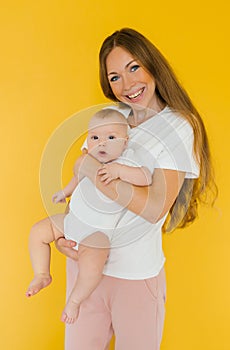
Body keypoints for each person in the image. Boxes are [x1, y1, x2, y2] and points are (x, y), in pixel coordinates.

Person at [55, 28, 217, 350]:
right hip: (85, 269)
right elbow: (83, 185)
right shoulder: (115, 117)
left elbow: (156, 206)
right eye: (115, 77)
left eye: (133, 68)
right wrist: (65, 233)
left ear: (151, 64)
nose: (127, 86)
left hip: (135, 276)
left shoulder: (177, 125)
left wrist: (92, 168)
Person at [26, 108, 152, 324]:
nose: (101, 143)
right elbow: (77, 178)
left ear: (125, 141)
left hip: (98, 231)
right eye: (95, 137)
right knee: (38, 231)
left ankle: (74, 300)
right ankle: (41, 274)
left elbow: (146, 177)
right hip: (72, 220)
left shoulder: (127, 163)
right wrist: (65, 192)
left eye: (111, 137)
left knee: (92, 266)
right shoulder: (87, 160)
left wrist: (120, 171)